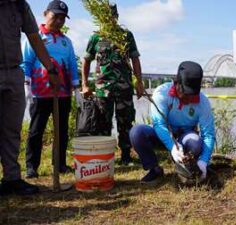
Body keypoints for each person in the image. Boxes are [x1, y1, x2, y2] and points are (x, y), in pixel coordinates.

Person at [0, 0, 59, 195]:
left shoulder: (19, 5)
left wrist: (49, 67)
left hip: (14, 73)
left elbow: (34, 37)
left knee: (12, 129)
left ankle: (12, 179)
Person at [129, 61, 215, 183]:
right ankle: (154, 169)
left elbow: (209, 135)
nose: (187, 98)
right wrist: (173, 147)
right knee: (137, 132)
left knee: (195, 144)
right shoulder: (161, 93)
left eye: (190, 94)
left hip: (186, 137)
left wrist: (204, 161)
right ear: (177, 82)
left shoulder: (203, 101)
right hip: (162, 134)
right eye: (184, 92)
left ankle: (190, 168)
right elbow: (159, 124)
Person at [21, 0, 80, 178]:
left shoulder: (66, 42)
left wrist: (76, 89)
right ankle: (32, 166)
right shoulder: (36, 37)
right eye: (56, 17)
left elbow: (71, 65)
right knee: (36, 130)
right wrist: (27, 86)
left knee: (61, 130)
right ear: (46, 14)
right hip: (40, 93)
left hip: (62, 92)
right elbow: (27, 62)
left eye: (63, 18)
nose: (59, 21)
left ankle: (60, 163)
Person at [81, 3, 144, 166]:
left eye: (113, 16)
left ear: (116, 17)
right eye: (107, 17)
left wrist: (139, 83)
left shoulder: (125, 36)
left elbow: (135, 59)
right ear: (102, 18)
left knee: (126, 122)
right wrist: (85, 84)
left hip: (124, 88)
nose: (110, 20)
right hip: (103, 90)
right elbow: (86, 61)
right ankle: (104, 157)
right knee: (103, 123)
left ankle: (125, 156)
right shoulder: (96, 38)